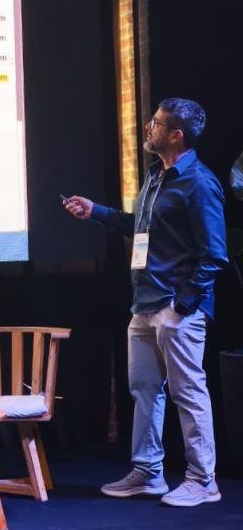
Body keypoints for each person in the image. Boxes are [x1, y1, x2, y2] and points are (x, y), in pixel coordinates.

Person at [63, 98, 228, 506]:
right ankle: (148, 472)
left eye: (156, 123)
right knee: (144, 391)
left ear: (176, 135)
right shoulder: (156, 175)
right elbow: (139, 228)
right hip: (144, 304)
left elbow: (214, 255)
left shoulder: (199, 183)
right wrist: (96, 212)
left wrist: (181, 308)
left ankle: (203, 480)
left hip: (175, 308)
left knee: (188, 393)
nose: (147, 128)